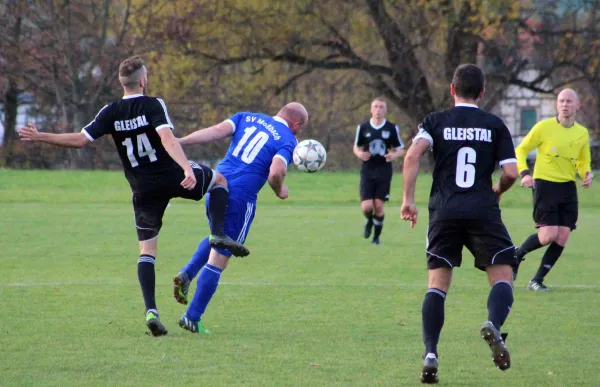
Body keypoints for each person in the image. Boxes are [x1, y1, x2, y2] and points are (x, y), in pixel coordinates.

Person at [18, 55, 248, 337]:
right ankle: (217, 234)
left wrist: (41, 135)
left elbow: (80, 140)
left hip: (142, 189)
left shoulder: (110, 111)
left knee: (147, 252)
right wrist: (187, 167)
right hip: (171, 175)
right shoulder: (153, 104)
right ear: (143, 81)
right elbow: (166, 139)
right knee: (220, 181)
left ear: (121, 82)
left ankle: (151, 311)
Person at [400, 64, 519, 384]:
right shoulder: (494, 125)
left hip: (444, 210)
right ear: (482, 93)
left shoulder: (435, 121)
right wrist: (497, 191)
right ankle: (494, 323)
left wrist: (408, 200)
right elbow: (510, 172)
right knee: (503, 275)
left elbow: (411, 157)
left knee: (437, 285)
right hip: (482, 210)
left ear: (452, 89)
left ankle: (430, 353)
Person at [170, 103, 308, 334]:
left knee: (217, 237)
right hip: (240, 198)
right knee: (220, 258)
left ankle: (187, 274)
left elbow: (214, 131)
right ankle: (192, 317)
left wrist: (180, 141)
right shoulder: (288, 140)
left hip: (216, 184)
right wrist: (279, 190)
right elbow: (276, 172)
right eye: (301, 128)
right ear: (296, 125)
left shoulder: (247, 117)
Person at [513, 88, 593, 291]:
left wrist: (586, 174)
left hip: (567, 187)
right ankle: (517, 254)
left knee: (563, 235)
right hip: (545, 185)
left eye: (569, 101)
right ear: (557, 105)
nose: (565, 105)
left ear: (577, 105)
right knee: (548, 235)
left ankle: (536, 280)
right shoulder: (543, 127)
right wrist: (525, 174)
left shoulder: (582, 133)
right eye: (561, 101)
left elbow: (583, 161)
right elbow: (521, 149)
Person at [353, 97, 405, 245]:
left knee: (379, 205)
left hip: (384, 170)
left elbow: (401, 149)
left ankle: (376, 238)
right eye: (375, 107)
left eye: (381, 107)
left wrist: (393, 155)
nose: (378, 110)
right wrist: (359, 154)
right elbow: (356, 147)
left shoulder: (391, 128)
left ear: (385, 110)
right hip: (367, 170)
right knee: (367, 206)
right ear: (371, 109)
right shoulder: (363, 127)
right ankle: (369, 221)